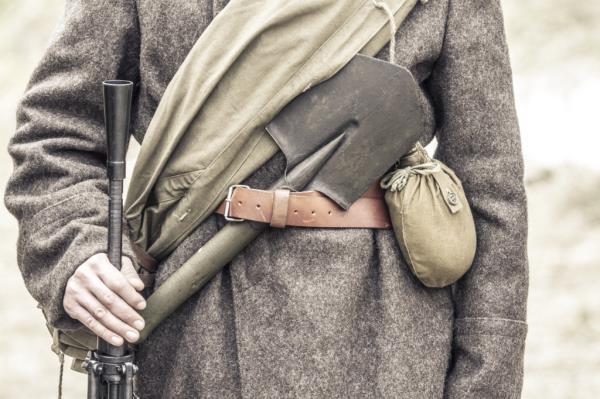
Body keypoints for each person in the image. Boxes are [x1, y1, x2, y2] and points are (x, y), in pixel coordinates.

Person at [5, 0, 529, 397]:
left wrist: (486, 377)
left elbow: (491, 190)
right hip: (193, 334)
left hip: (384, 342)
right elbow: (54, 136)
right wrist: (78, 251)